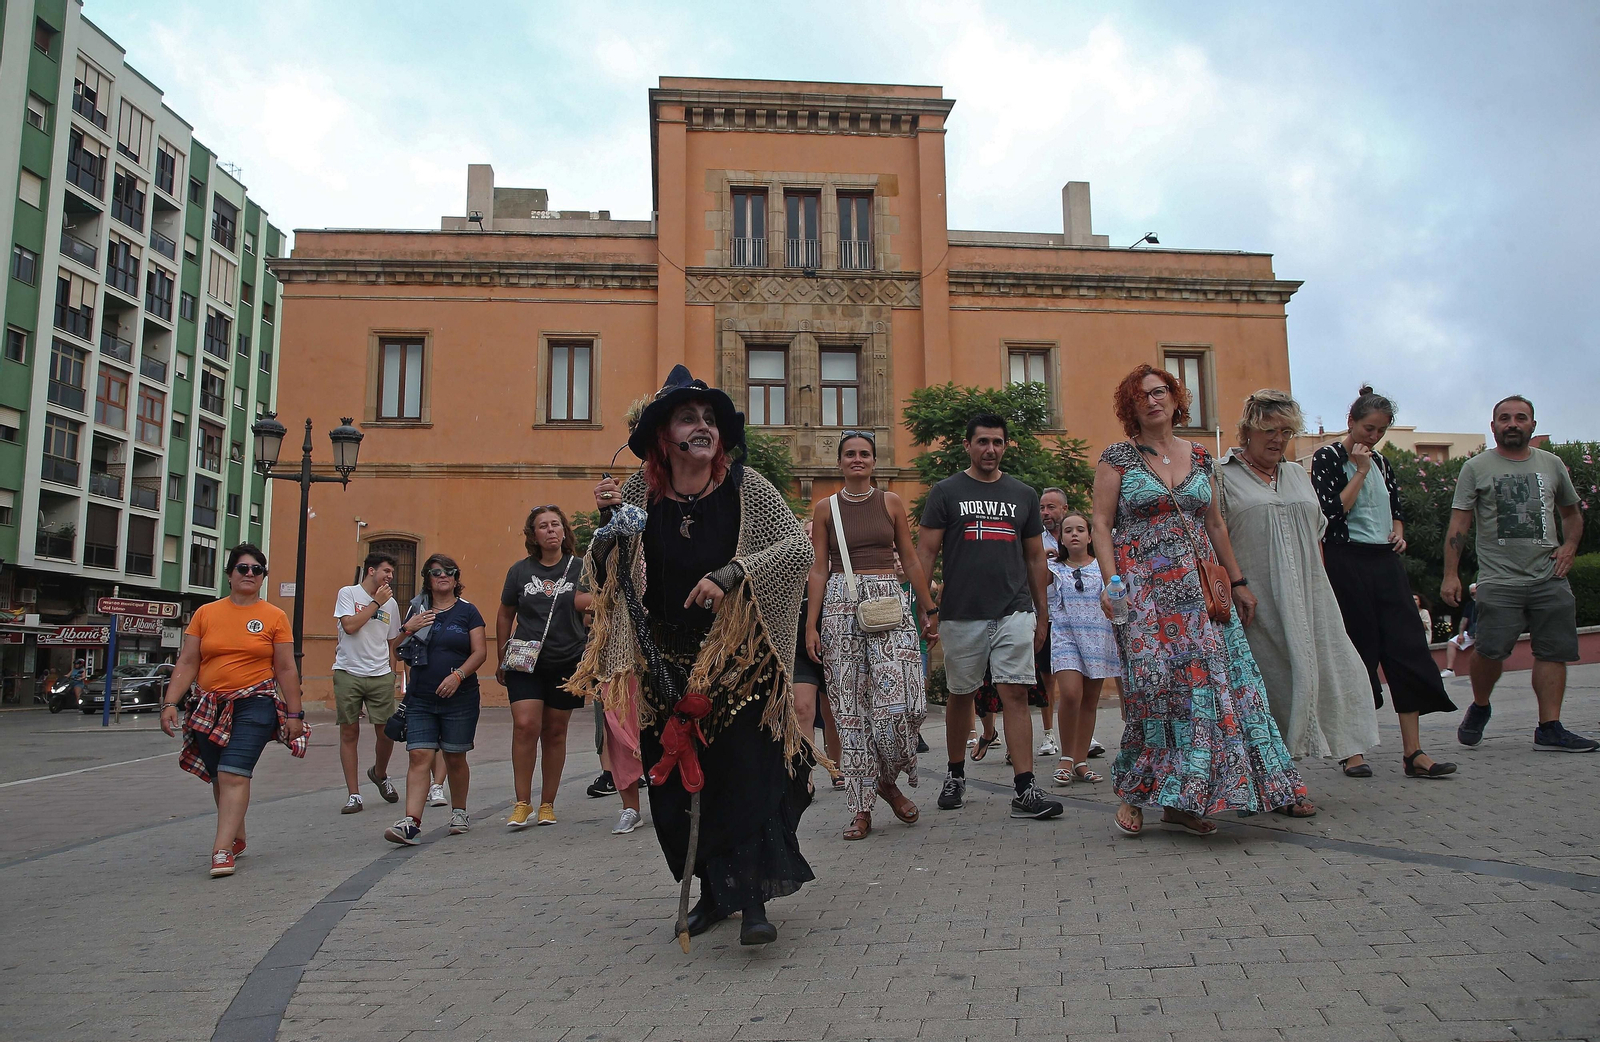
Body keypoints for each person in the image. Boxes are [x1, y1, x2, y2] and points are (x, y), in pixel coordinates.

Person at [572, 365, 814, 946]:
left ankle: (752, 901)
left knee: (744, 779)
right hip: (665, 666)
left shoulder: (748, 488)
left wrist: (732, 574)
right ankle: (711, 892)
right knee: (677, 791)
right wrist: (607, 529)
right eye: (688, 418)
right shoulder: (638, 494)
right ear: (663, 435)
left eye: (709, 419)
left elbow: (797, 546)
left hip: (740, 662)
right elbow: (603, 577)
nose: (702, 427)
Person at [1091, 366, 1310, 837]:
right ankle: (1134, 793)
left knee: (1204, 694)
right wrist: (1112, 585)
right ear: (1131, 407)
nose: (1153, 401)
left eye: (1161, 392)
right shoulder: (1117, 458)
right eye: (1143, 396)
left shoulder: (1200, 456)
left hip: (1199, 597)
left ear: (1176, 399)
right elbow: (1100, 526)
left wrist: (1237, 581)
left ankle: (1184, 799)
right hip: (1144, 592)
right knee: (1153, 689)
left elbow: (1215, 525)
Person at [1218, 390, 1380, 779]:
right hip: (1257, 596)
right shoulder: (1221, 475)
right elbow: (1213, 535)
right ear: (1247, 430)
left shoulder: (1294, 473)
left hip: (1310, 592)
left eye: (1287, 432)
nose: (1278, 440)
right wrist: (1236, 584)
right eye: (1269, 430)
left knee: (1335, 666)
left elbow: (1316, 532)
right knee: (1268, 678)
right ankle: (1273, 774)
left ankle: (1342, 749)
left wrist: (1321, 584)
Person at [916, 413, 1063, 821]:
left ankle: (1026, 787)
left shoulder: (1023, 494)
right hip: (961, 613)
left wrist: (1042, 615)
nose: (990, 450)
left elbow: (1036, 557)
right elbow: (925, 552)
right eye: (982, 442)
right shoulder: (945, 492)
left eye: (997, 442)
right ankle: (955, 774)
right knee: (961, 695)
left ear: (1005, 446)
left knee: (1014, 692)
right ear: (967, 445)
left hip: (1014, 609)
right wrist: (924, 607)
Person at [1311, 387, 1457, 778]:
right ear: (1351, 422)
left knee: (1407, 647)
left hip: (1385, 560)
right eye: (1367, 428)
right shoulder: (1327, 457)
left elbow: (1396, 506)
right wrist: (1358, 470)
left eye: (1380, 431)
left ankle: (1414, 753)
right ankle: (1351, 750)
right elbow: (1331, 513)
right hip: (1347, 560)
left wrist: (1398, 532)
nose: (1372, 438)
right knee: (1358, 650)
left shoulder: (1383, 462)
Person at [804, 431, 938, 840]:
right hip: (840, 606)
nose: (857, 459)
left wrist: (928, 606)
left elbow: (911, 559)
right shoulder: (826, 508)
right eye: (850, 454)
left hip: (888, 602)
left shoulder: (890, 502)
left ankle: (884, 778)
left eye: (864, 454)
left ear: (874, 462)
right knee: (851, 712)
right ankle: (862, 806)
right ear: (840, 462)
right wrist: (811, 624)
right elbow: (818, 569)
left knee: (906, 705)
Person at [1443, 395, 1595, 752]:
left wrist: (1570, 547)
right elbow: (1459, 523)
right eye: (1505, 418)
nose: (1513, 423)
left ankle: (1550, 726)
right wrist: (1451, 574)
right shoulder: (1476, 468)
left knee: (1553, 651)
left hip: (1549, 575)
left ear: (1533, 426)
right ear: (1493, 426)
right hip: (1499, 579)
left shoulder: (1552, 464)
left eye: (1521, 418)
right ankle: (1480, 705)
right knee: (1489, 651)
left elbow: (1572, 514)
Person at [159, 544, 307, 877]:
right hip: (208, 704)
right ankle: (236, 836)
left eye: (258, 569)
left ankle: (221, 850)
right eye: (243, 568)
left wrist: (295, 715)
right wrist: (170, 703)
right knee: (218, 776)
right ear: (229, 574)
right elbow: (188, 661)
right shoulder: (206, 614)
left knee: (233, 773)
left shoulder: (274, 617)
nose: (250, 574)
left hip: (256, 702)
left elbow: (285, 668)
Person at [497, 505, 592, 827]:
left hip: (567, 659)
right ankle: (522, 803)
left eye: (555, 525)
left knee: (555, 732)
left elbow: (596, 607)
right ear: (533, 535)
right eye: (543, 526)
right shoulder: (520, 571)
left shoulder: (581, 568)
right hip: (525, 660)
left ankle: (547, 804)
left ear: (564, 531)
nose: (550, 530)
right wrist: (501, 654)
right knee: (525, 725)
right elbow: (505, 613)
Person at [384, 554, 487, 844]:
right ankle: (411, 823)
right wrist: (409, 628)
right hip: (421, 697)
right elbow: (396, 650)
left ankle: (459, 811)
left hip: (460, 696)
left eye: (449, 572)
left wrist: (458, 676)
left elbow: (479, 652)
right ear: (427, 579)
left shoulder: (468, 612)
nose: (443, 576)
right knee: (419, 755)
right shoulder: (417, 611)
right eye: (436, 572)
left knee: (455, 756)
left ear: (456, 579)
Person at [1045, 510, 1121, 786]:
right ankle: (1065, 757)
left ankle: (1080, 761)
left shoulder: (1103, 567)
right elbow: (1030, 586)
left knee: (1090, 701)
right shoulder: (1053, 569)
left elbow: (1119, 599)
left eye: (1080, 529)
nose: (1074, 534)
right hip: (1066, 638)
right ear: (1061, 538)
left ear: (1090, 536)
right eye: (1068, 530)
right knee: (1070, 693)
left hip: (1098, 639)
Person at [333, 551, 403, 814]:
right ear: (371, 571)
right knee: (349, 732)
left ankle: (380, 773)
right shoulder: (348, 594)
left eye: (392, 573)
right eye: (386, 571)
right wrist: (375, 603)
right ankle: (354, 795)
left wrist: (392, 673)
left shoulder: (392, 604)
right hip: (348, 672)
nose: (390, 577)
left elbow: (391, 641)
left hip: (380, 674)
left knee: (387, 733)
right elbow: (350, 626)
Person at [1442, 584, 1477, 677]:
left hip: (1486, 632)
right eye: (1472, 594)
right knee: (1451, 643)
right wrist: (1461, 634)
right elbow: (1463, 621)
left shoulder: (1487, 603)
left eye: (1476, 593)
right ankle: (1450, 670)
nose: (1475, 596)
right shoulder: (1470, 605)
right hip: (1472, 632)